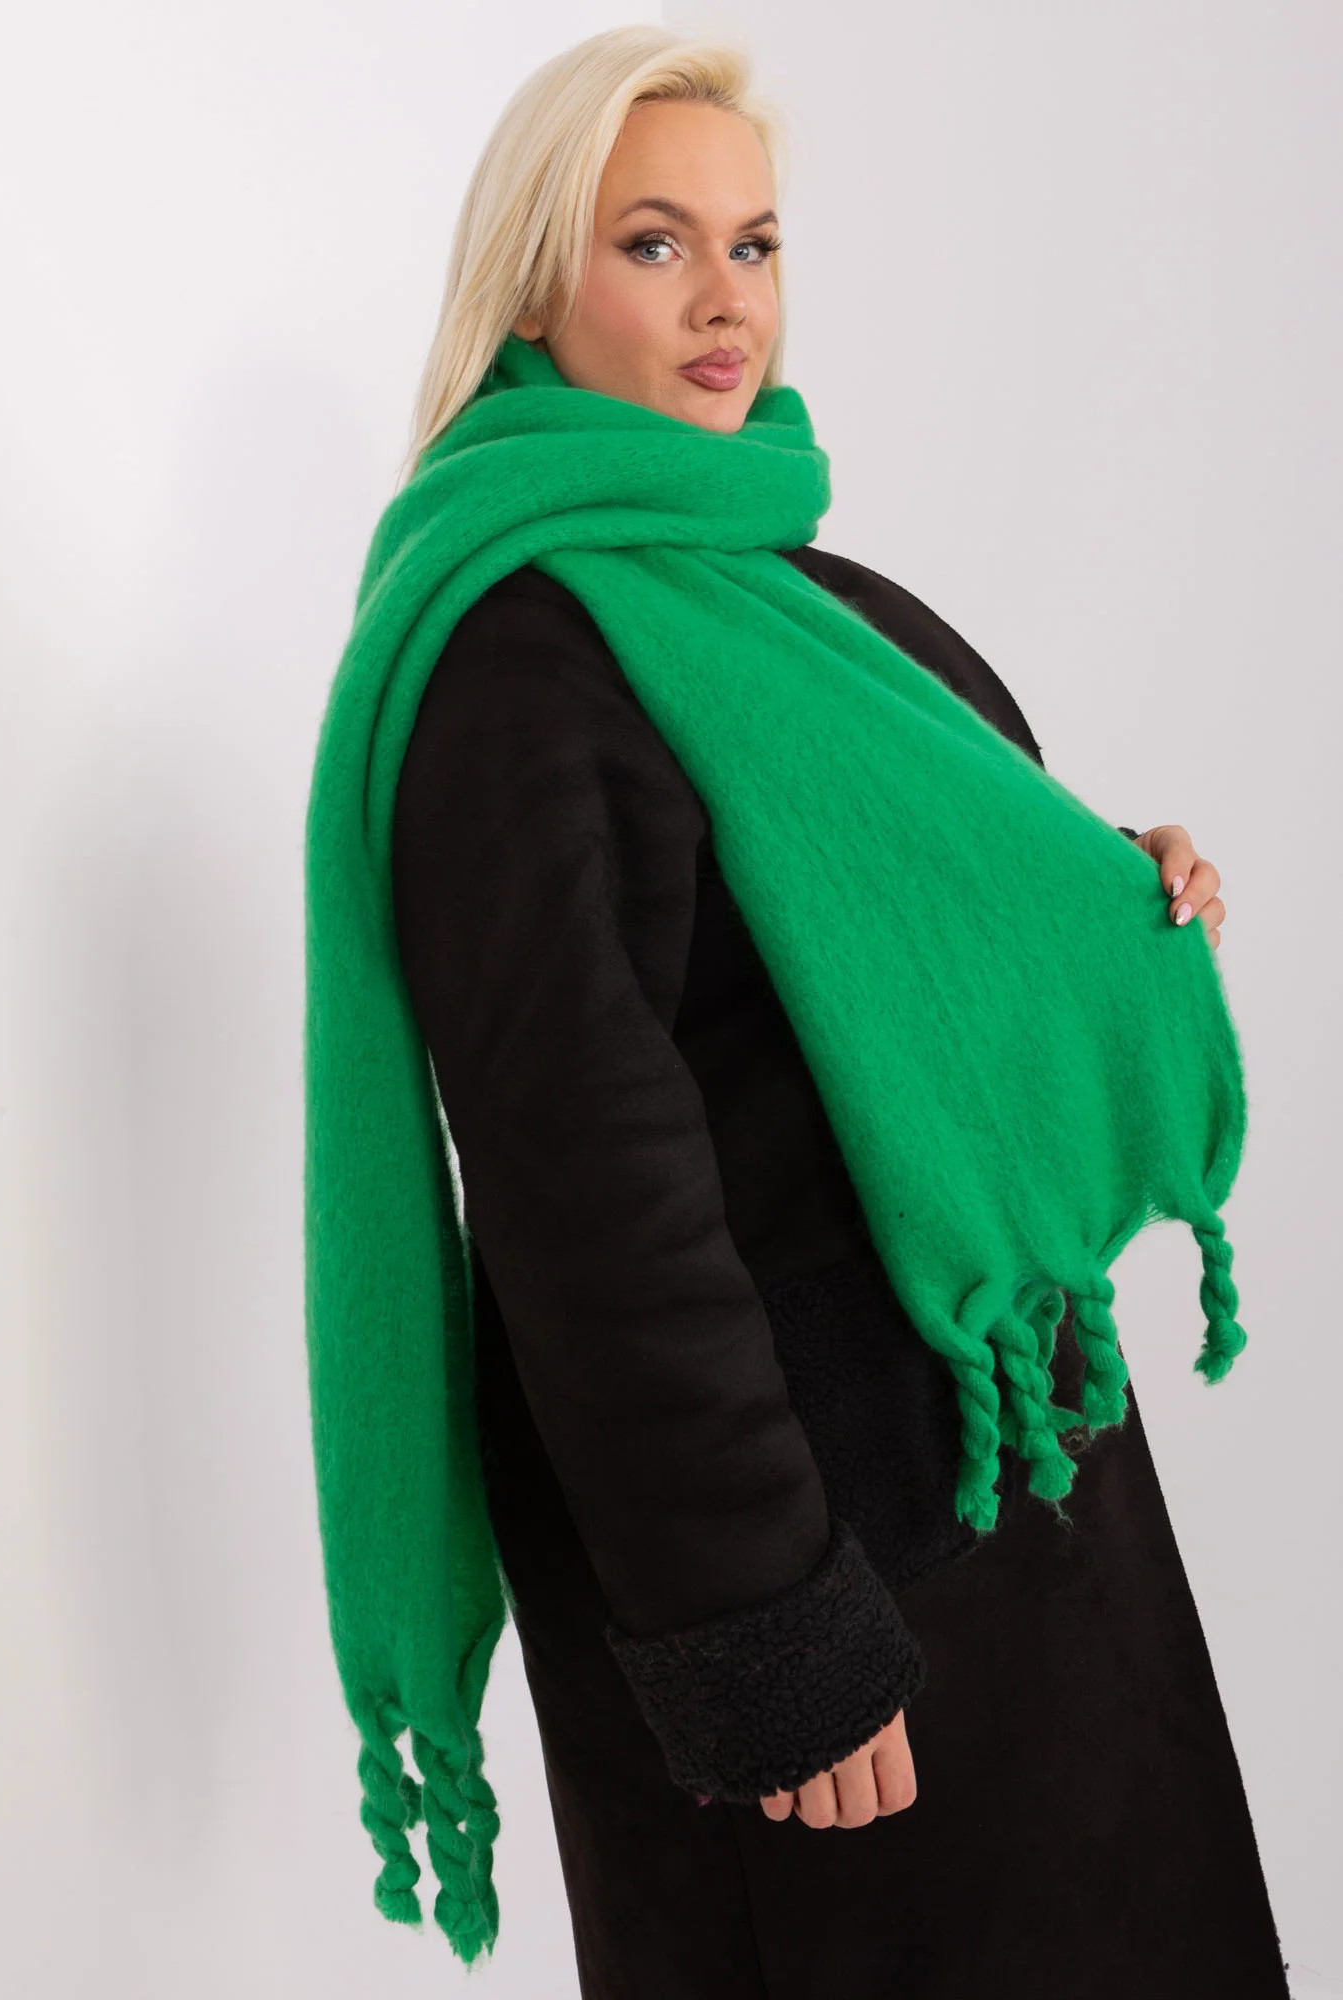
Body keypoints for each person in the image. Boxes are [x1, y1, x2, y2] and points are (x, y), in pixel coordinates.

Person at [316, 25, 1289, 1995]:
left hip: (1013, 1485)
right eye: (654, 242)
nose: (724, 300)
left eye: (753, 244)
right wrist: (771, 1633)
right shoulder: (511, 672)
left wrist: (1118, 895)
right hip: (825, 1590)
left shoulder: (808, 597)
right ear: (532, 282)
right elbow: (594, 1220)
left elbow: (886, 946)